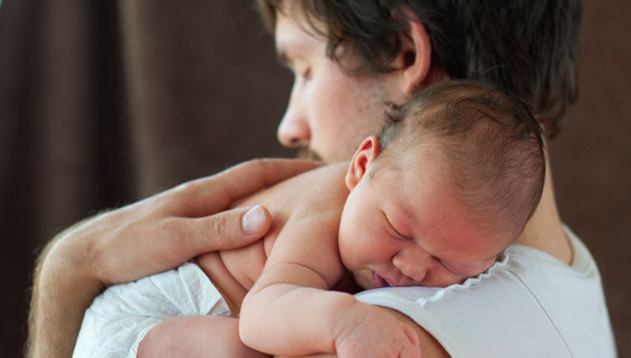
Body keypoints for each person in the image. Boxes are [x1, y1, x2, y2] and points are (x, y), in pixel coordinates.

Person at [28, 1, 616, 357]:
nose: (290, 126)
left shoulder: (410, 326)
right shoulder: (568, 271)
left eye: (306, 69)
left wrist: (69, 272)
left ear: (405, 54)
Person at [73, 80, 546, 358]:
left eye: (454, 264)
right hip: (139, 324)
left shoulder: (396, 209)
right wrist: (344, 321)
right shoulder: (325, 214)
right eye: (399, 230)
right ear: (362, 167)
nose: (412, 268)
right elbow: (261, 314)